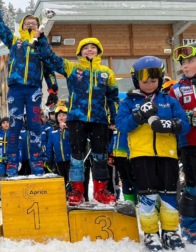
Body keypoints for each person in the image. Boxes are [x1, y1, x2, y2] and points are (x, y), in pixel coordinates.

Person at [116, 56, 189, 251]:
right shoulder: (128, 102)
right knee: (148, 195)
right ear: (136, 81)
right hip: (141, 155)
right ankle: (150, 233)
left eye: (153, 81)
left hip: (168, 154)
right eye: (145, 81)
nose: (149, 85)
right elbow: (121, 125)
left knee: (169, 194)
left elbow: (185, 124)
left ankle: (170, 231)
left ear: (160, 79)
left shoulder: (169, 100)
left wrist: (171, 125)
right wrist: (138, 116)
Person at [37, 36, 119, 206]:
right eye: (85, 48)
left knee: (100, 156)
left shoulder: (106, 72)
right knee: (77, 156)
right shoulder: (72, 68)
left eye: (93, 47)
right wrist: (42, 39)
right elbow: (52, 58)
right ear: (79, 52)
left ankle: (100, 190)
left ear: (99, 51)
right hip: (76, 118)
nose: (89, 50)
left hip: (99, 119)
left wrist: (114, 117)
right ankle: (77, 190)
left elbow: (113, 98)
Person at [0, 2, 58, 177]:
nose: (31, 25)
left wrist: (52, 90)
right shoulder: (14, 42)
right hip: (16, 90)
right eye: (27, 23)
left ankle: (37, 162)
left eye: (34, 22)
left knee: (35, 126)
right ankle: (12, 162)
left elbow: (48, 68)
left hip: (34, 89)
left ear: (38, 26)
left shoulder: (41, 45)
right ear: (22, 26)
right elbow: (0, 27)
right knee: (14, 125)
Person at [169, 43, 196, 245]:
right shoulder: (176, 89)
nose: (185, 66)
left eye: (190, 61)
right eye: (183, 63)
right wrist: (189, 116)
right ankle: (190, 227)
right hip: (190, 145)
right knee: (193, 187)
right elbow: (170, 114)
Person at [45, 100, 71, 185]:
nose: (61, 117)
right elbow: (49, 148)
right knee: (62, 180)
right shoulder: (53, 133)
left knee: (71, 180)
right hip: (59, 161)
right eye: (59, 115)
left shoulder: (71, 130)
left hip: (70, 160)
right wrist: (49, 160)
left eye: (63, 115)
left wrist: (67, 128)